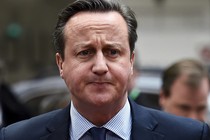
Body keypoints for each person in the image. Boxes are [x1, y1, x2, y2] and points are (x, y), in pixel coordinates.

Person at [0, 0, 210, 140]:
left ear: (131, 61)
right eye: (85, 52)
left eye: (112, 52)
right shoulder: (16, 137)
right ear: (61, 64)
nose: (100, 67)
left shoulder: (189, 135)